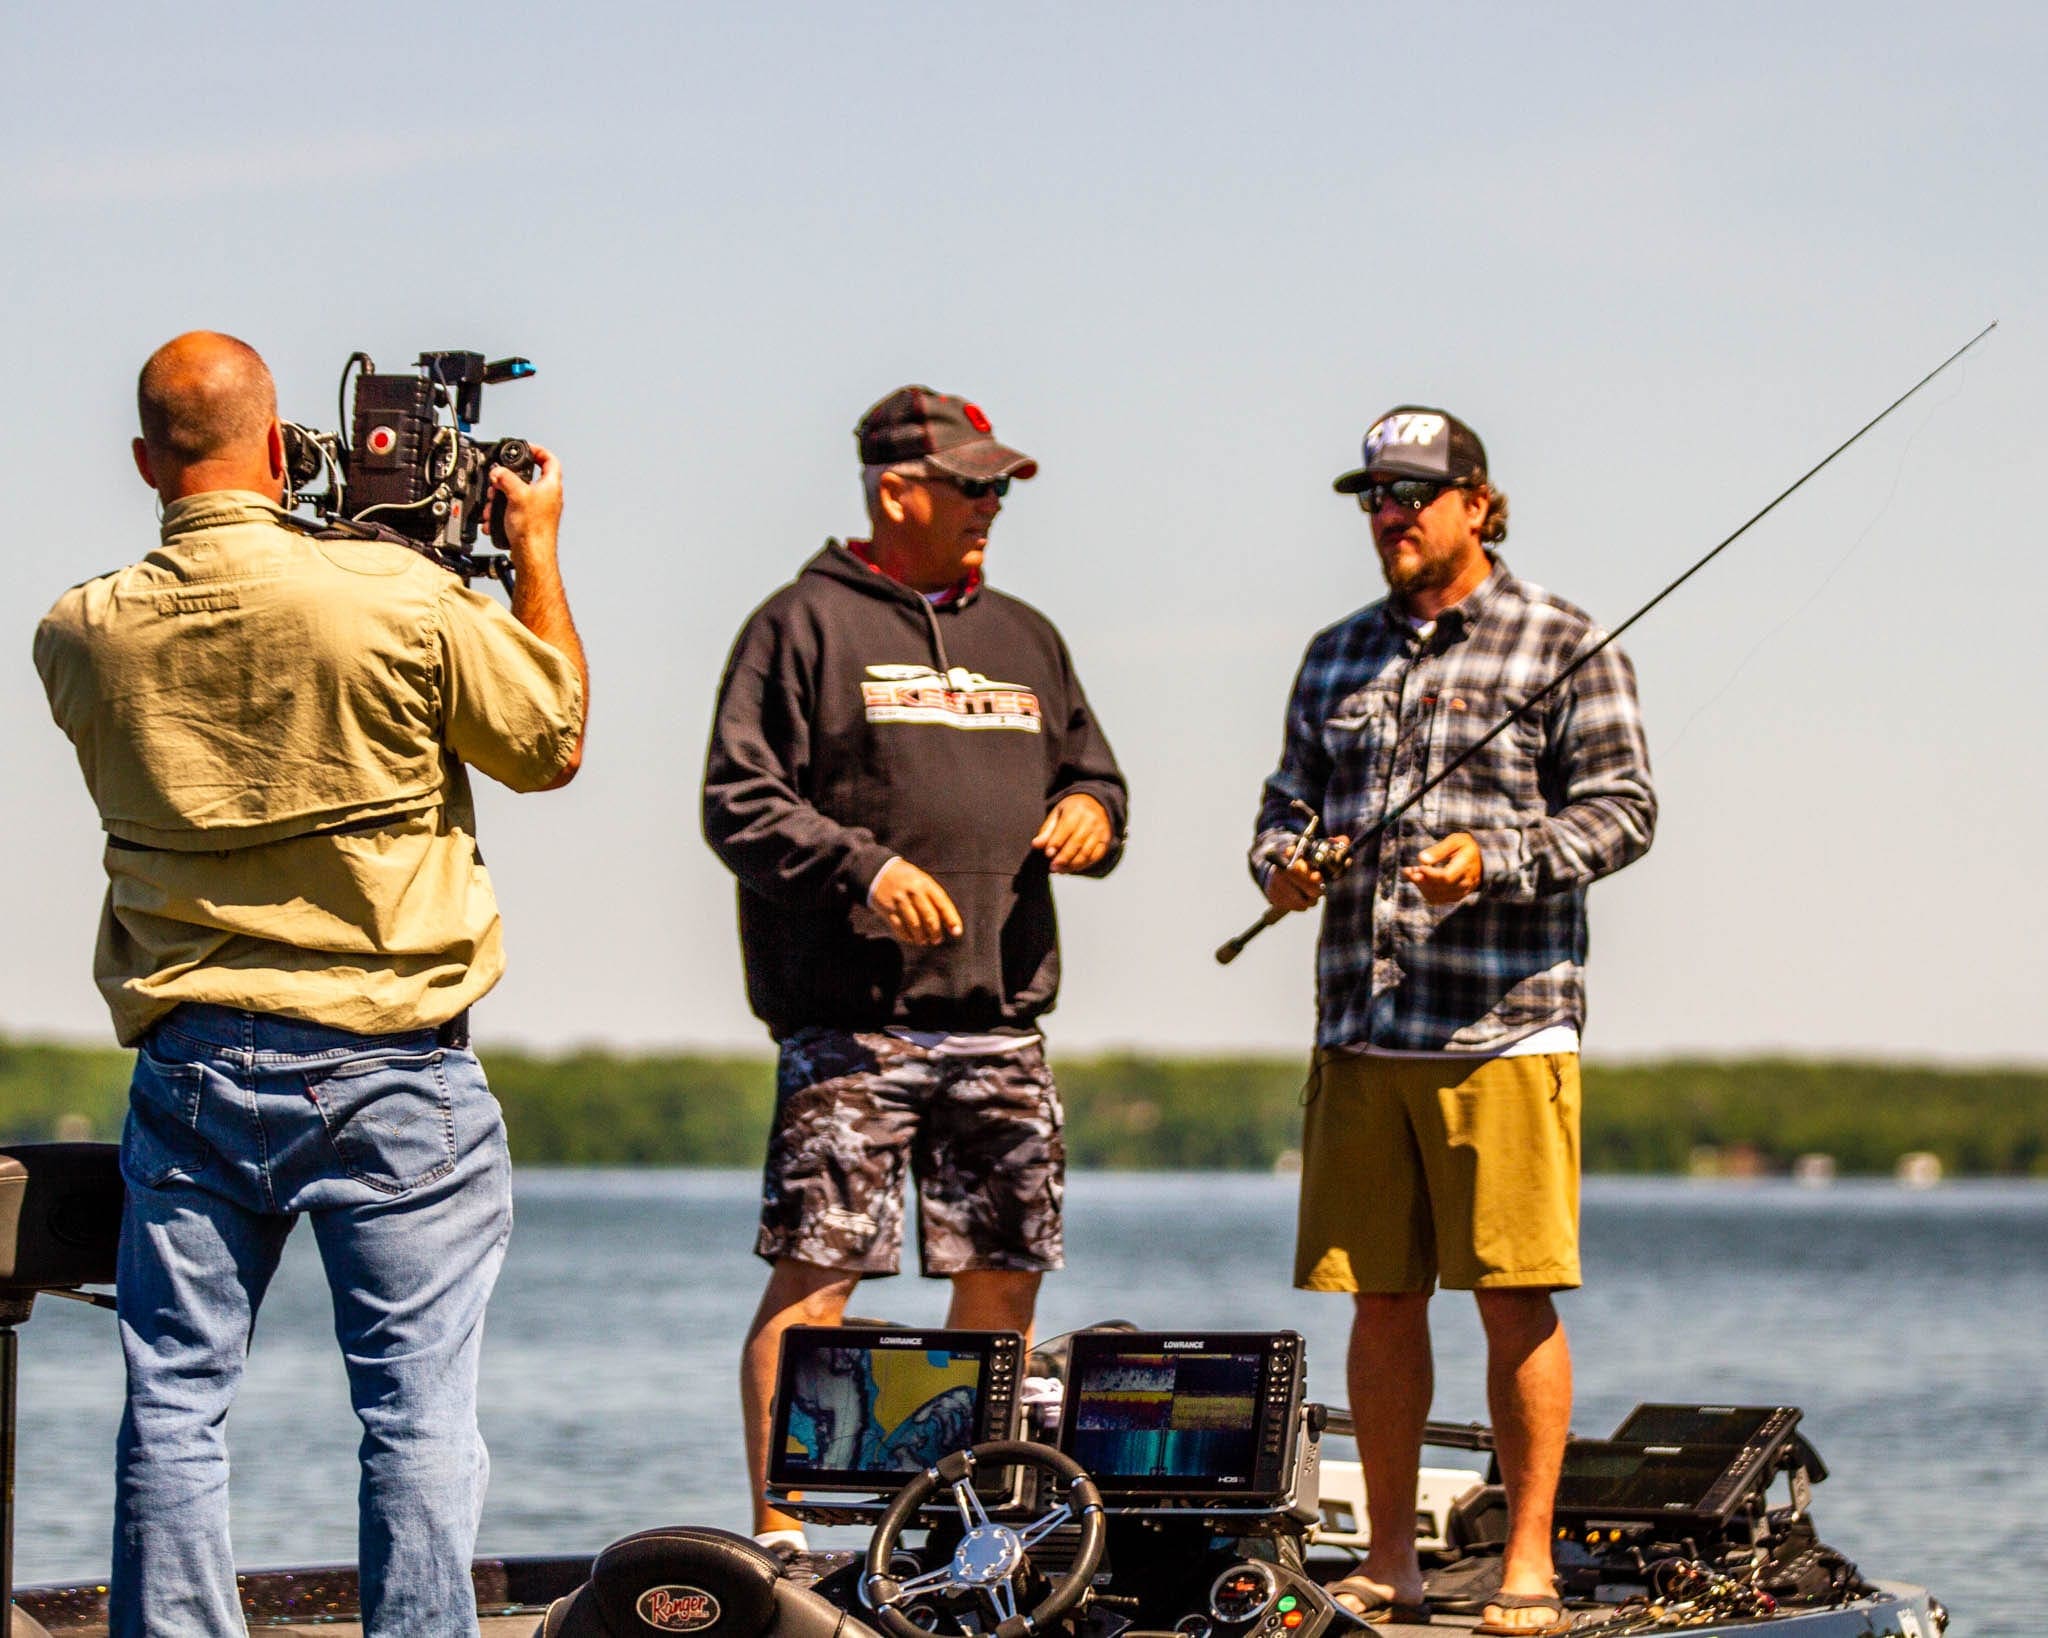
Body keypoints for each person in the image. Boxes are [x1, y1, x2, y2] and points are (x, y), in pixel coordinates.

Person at [33, 332, 588, 1638]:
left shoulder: (78, 635)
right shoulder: (398, 597)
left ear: (140, 461)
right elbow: (549, 739)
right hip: (394, 1061)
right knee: (414, 1408)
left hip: (192, 1067)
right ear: (283, 450)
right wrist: (536, 550)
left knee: (174, 1399)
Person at [1251, 406, 1655, 1634]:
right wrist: (1280, 863)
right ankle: (1390, 1563)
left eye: (1414, 494)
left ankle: (1525, 1565)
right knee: (1378, 1300)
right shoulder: (1330, 655)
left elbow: (1624, 812)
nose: (1389, 516)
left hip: (1505, 1029)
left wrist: (1494, 858)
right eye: (1373, 496)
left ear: (1478, 504)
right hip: (1360, 1029)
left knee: (1512, 1297)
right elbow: (1281, 805)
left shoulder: (1565, 642)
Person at [703, 385, 1127, 1546]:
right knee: (815, 1277)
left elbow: (1095, 775)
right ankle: (781, 1538)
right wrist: (861, 871)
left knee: (1001, 1279)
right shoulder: (799, 625)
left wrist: (1092, 811)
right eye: (972, 485)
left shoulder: (1026, 636)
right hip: (853, 1030)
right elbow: (736, 802)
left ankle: (970, 1523)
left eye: (998, 487)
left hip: (1001, 1025)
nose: (992, 506)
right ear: (897, 492)